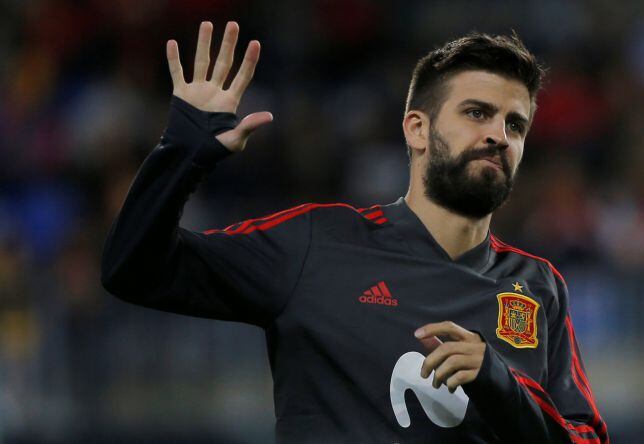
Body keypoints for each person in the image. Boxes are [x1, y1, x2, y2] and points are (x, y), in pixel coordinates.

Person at [101, 20, 609, 444]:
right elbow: (132, 270)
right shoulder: (317, 243)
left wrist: (499, 383)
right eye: (477, 113)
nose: (498, 135)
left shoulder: (537, 287)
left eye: (515, 125)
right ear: (417, 129)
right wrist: (179, 157)